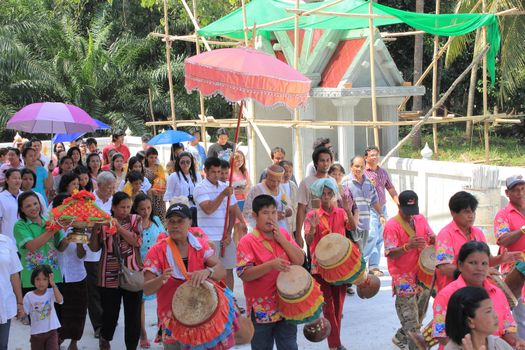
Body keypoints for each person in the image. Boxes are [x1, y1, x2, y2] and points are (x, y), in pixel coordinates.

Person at [143, 203, 228, 349]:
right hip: (170, 319)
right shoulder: (157, 251)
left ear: (190, 222)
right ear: (166, 223)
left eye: (180, 221)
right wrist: (160, 279)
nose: (175, 225)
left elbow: (221, 270)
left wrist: (208, 272)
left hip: (201, 317)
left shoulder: (200, 246)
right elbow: (146, 289)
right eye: (171, 221)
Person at [237, 194, 304, 350]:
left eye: (273, 212)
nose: (271, 217)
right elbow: (244, 274)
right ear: (255, 216)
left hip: (287, 304)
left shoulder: (283, 234)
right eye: (265, 213)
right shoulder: (247, 241)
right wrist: (270, 265)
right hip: (261, 309)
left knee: (289, 346)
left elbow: (299, 260)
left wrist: (282, 240)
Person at [432, 241, 523, 348]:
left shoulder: (497, 292)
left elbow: (507, 328)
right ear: (460, 265)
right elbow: (441, 334)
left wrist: (516, 341)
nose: (480, 268)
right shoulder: (447, 295)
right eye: (473, 263)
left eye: (484, 263)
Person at [304, 178, 358, 350]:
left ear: (334, 195)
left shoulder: (341, 212)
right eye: (323, 194)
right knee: (328, 306)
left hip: (340, 266)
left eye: (329, 194)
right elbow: (308, 240)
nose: (326, 197)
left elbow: (353, 226)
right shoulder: (312, 215)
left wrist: (349, 210)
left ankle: (335, 342)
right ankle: (335, 345)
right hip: (320, 267)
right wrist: (312, 229)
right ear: (319, 196)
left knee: (338, 306)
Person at [89, 191, 143, 350]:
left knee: (133, 315)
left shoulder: (135, 219)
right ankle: (105, 339)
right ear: (113, 207)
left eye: (128, 207)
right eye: (122, 207)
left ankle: (131, 346)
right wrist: (94, 230)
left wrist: (118, 228)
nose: (125, 210)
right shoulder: (103, 222)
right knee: (109, 314)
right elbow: (94, 248)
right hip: (108, 274)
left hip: (131, 272)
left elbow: (136, 241)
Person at [435, 191, 518, 293]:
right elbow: (444, 267)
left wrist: (501, 259)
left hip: (476, 291)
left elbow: (488, 260)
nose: (471, 216)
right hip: (453, 293)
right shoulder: (445, 235)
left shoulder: (478, 233)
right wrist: (478, 272)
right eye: (467, 212)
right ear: (453, 213)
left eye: (473, 212)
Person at [383, 190, 435, 350]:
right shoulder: (392, 225)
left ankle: (400, 337)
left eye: (413, 211)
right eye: (407, 212)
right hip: (403, 278)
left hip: (423, 274)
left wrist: (434, 239)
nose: (411, 215)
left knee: (419, 314)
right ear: (399, 206)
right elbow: (390, 252)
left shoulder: (420, 219)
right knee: (412, 324)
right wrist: (407, 246)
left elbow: (430, 236)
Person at [194, 157, 237, 291]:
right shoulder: (200, 188)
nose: (217, 175)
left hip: (225, 237)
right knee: (212, 273)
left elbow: (233, 211)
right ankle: (216, 303)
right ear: (205, 171)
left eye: (219, 172)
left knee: (228, 270)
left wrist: (229, 233)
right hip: (209, 239)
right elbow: (208, 209)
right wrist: (223, 195)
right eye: (213, 172)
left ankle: (230, 302)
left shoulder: (226, 187)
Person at [13, 191, 67, 294]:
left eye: (35, 203)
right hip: (32, 280)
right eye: (28, 206)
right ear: (22, 209)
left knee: (55, 310)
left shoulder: (50, 221)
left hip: (53, 278)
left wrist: (71, 235)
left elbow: (61, 247)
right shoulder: (20, 226)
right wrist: (54, 229)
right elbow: (32, 246)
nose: (33, 208)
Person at [52, 194, 87, 350]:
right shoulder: (51, 227)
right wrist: (66, 239)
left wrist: (79, 240)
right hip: (57, 276)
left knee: (77, 311)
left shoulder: (79, 225)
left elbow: (81, 255)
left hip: (77, 275)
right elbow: (58, 248)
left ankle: (74, 342)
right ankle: (57, 341)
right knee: (58, 311)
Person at [131, 193, 165, 348]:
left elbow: (164, 240)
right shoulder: (133, 224)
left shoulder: (157, 221)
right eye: (142, 209)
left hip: (158, 266)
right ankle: (142, 333)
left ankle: (161, 329)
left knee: (162, 300)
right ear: (136, 209)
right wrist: (139, 265)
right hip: (140, 267)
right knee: (140, 302)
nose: (146, 212)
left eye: (149, 208)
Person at [84, 172, 115, 340]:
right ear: (100, 186)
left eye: (113, 187)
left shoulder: (114, 201)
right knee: (94, 290)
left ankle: (108, 319)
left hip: (110, 251)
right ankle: (98, 325)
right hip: (91, 252)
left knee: (109, 288)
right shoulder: (88, 201)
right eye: (109, 187)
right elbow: (82, 222)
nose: (112, 190)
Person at [494, 175, 525, 339]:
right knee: (519, 319)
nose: (520, 193)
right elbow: (503, 240)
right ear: (507, 193)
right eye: (515, 190)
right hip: (514, 273)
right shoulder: (503, 215)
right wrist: (522, 230)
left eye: (523, 188)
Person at [364, 146, 399, 277]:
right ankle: (361, 264)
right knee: (371, 235)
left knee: (379, 238)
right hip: (369, 209)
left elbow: (390, 188)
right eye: (372, 155)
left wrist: (398, 203)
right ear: (366, 158)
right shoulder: (363, 173)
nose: (374, 157)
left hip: (382, 209)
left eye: (376, 155)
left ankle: (373, 266)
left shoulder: (383, 172)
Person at [444, 286, 514, 350]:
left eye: (493, 309)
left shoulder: (499, 344)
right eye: (488, 311)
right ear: (470, 322)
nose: (496, 315)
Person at [342, 156, 385, 259]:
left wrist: (381, 215)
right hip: (351, 226)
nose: (359, 169)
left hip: (365, 225)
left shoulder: (368, 183)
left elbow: (374, 201)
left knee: (361, 254)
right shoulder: (345, 182)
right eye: (356, 166)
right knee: (351, 254)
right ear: (351, 167)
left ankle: (361, 272)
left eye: (362, 167)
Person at [296, 146, 333, 248]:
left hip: (331, 229)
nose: (325, 163)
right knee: (314, 260)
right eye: (322, 160)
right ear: (316, 163)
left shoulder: (333, 182)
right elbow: (301, 209)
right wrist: (298, 234)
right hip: (312, 229)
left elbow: (336, 205)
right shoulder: (306, 182)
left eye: (327, 160)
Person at [23, 265, 63, 350]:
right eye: (38, 279)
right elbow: (24, 312)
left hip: (52, 332)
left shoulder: (51, 292)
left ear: (49, 280)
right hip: (36, 333)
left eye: (45, 279)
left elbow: (60, 300)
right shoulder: (28, 296)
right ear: (33, 280)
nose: (41, 282)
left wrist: (53, 284)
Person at [243, 165, 292, 233]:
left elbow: (287, 205)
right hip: (264, 232)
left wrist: (287, 211)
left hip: (282, 230)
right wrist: (272, 216)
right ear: (266, 177)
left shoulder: (282, 189)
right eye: (272, 180)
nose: (275, 184)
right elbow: (247, 212)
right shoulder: (257, 190)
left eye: (278, 181)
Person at [163, 152, 202, 226]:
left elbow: (200, 191)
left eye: (188, 162)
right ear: (178, 163)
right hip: (180, 210)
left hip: (195, 209)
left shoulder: (197, 175)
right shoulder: (173, 176)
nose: (185, 164)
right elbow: (168, 196)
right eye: (182, 162)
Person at [0, 228, 23, 350]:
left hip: (4, 302)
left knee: (2, 345)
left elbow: (14, 274)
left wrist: (20, 302)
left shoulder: (6, 241)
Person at [0, 169, 24, 245]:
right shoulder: (1, 197)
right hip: (8, 241)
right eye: (14, 178)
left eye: (19, 178)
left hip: (25, 240)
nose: (18, 181)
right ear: (7, 180)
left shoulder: (25, 196)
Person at [144, 148, 167, 219]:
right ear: (146, 157)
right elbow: (143, 184)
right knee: (151, 217)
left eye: (155, 157)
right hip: (149, 196)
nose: (153, 159)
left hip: (160, 197)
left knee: (161, 217)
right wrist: (151, 190)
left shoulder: (159, 168)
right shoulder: (144, 169)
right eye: (151, 157)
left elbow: (164, 180)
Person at [279, 160, 299, 239]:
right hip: (282, 223)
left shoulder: (293, 185)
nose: (288, 174)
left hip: (294, 223)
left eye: (290, 171)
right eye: (285, 171)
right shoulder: (277, 186)